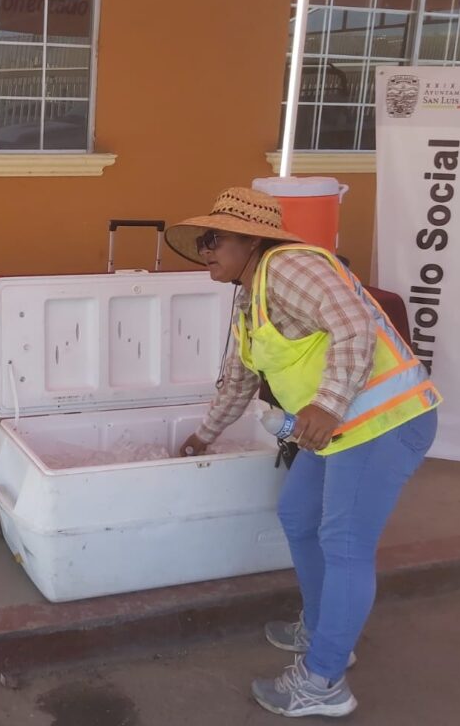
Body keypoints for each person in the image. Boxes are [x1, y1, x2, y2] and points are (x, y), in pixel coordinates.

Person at [166, 187, 441, 718]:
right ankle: (321, 628)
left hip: (383, 423)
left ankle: (323, 682)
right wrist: (204, 435)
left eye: (214, 239)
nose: (206, 250)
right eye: (203, 240)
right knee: (297, 515)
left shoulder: (289, 265)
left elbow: (356, 325)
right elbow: (238, 379)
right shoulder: (250, 296)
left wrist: (329, 404)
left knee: (343, 543)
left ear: (252, 241)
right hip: (339, 429)